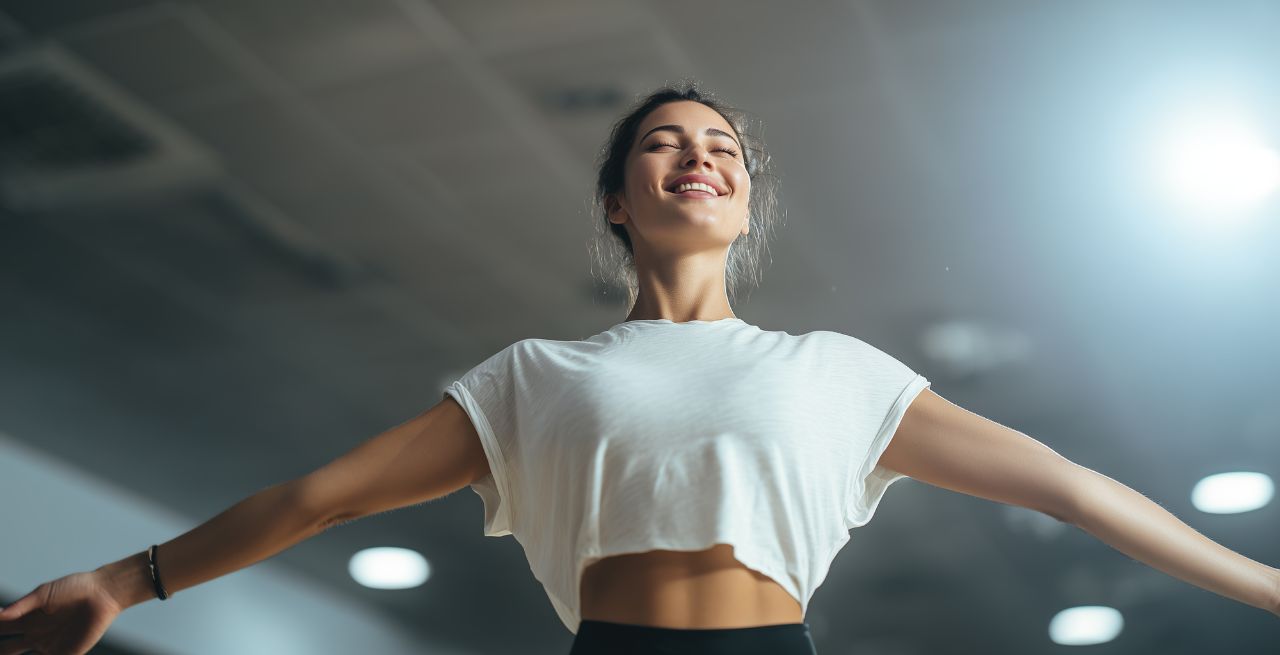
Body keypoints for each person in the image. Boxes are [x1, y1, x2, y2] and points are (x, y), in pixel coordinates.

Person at [2, 83, 1277, 655]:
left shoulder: (831, 368)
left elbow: (1070, 487)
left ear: (741, 196)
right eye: (663, 145)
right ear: (617, 198)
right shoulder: (533, 373)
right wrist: (125, 577)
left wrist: (1266, 586)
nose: (699, 158)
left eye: (721, 145)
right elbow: (321, 496)